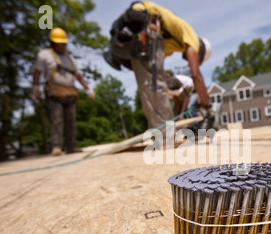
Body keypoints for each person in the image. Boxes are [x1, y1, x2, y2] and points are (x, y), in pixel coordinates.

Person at [104, 1, 213, 131]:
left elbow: (156, 71)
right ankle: (166, 134)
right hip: (147, 25)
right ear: (201, 49)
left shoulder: (170, 45)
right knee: (156, 86)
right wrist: (207, 106)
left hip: (136, 26)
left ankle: (158, 131)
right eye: (198, 59)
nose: (192, 58)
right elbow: (195, 75)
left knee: (147, 87)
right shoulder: (192, 38)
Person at [32, 27, 95, 156]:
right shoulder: (44, 55)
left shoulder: (70, 58)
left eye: (64, 44)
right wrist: (35, 86)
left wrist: (88, 88)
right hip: (54, 92)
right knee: (56, 119)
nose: (62, 46)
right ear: (53, 43)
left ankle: (71, 146)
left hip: (70, 92)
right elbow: (37, 72)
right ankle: (56, 146)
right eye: (59, 44)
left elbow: (78, 75)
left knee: (71, 120)